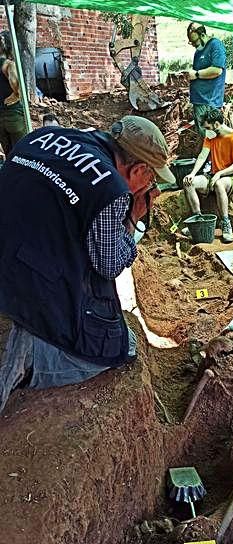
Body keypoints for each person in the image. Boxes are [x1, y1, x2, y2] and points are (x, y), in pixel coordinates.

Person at [0, 116, 175, 415]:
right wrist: (133, 218)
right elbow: (109, 265)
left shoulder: (40, 138)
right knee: (121, 347)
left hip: (10, 249)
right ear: (138, 170)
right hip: (30, 285)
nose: (150, 186)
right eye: (152, 179)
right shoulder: (111, 192)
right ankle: (34, 360)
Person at [183, 108, 233, 244]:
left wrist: (220, 174)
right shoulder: (210, 137)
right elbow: (202, 156)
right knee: (188, 183)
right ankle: (198, 221)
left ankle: (225, 224)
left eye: (207, 127)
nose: (206, 130)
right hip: (214, 174)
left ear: (216, 124)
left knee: (219, 183)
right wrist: (192, 174)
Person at [186, 22, 226, 137]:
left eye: (195, 41)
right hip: (199, 101)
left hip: (209, 101)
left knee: (212, 137)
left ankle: (216, 156)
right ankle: (208, 155)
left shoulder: (215, 45)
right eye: (191, 42)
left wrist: (197, 74)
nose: (193, 45)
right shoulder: (198, 53)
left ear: (203, 35)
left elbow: (217, 70)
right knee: (205, 138)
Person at [0, 30, 27, 158]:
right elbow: (17, 87)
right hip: (14, 115)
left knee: (9, 155)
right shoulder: (9, 65)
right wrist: (16, 96)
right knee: (23, 154)